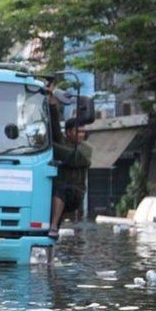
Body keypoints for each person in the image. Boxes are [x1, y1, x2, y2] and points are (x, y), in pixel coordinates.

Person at [49, 85, 92, 238]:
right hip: (55, 192)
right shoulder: (63, 142)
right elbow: (54, 127)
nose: (82, 134)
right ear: (68, 132)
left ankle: (54, 226)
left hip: (75, 192)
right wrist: (53, 100)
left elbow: (71, 157)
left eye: (83, 132)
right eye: (78, 131)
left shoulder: (86, 148)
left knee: (63, 189)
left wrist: (49, 146)